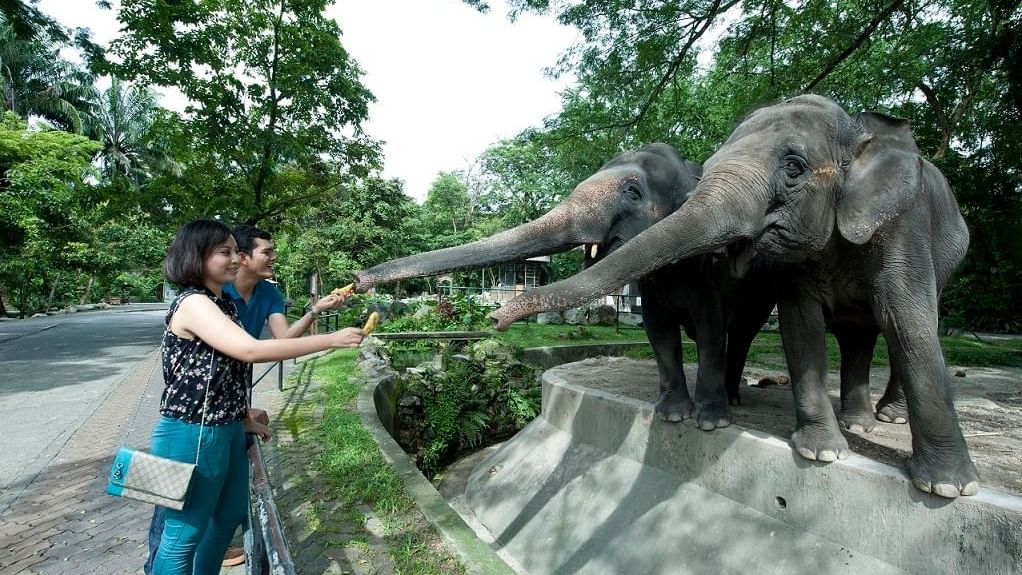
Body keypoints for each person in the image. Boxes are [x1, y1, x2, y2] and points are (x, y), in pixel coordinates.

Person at [148, 219, 362, 575]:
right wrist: (331, 338)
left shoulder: (223, 305)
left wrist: (242, 416)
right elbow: (248, 350)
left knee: (228, 518)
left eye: (236, 251)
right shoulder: (194, 304)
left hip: (227, 428)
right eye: (225, 252)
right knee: (182, 533)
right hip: (189, 433)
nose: (236, 259)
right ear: (196, 256)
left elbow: (227, 373)